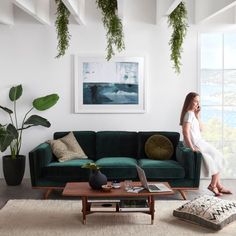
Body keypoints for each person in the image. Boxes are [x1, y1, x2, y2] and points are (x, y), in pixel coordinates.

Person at [180, 92, 232, 196]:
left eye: (198, 101)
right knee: (217, 158)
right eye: (195, 101)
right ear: (189, 101)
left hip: (200, 142)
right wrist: (191, 147)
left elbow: (201, 129)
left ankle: (219, 186)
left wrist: (198, 115)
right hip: (196, 143)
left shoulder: (192, 114)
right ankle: (213, 186)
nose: (197, 104)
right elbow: (185, 133)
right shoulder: (188, 114)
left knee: (217, 158)